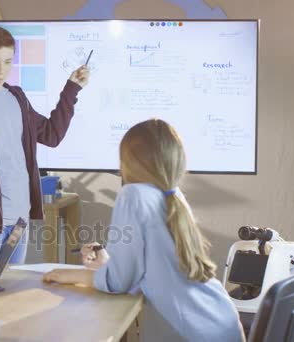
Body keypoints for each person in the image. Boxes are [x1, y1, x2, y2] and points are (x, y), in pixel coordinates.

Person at [43, 119, 244, 341]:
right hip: (220, 321)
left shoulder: (133, 195)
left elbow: (120, 282)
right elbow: (153, 271)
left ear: (128, 162)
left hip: (186, 331)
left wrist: (77, 275)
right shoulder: (173, 195)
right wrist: (107, 265)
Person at [0, 25, 89, 264]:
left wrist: (71, 89)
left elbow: (51, 135)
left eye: (7, 61)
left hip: (19, 218)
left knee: (13, 289)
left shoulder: (17, 97)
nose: (0, 71)